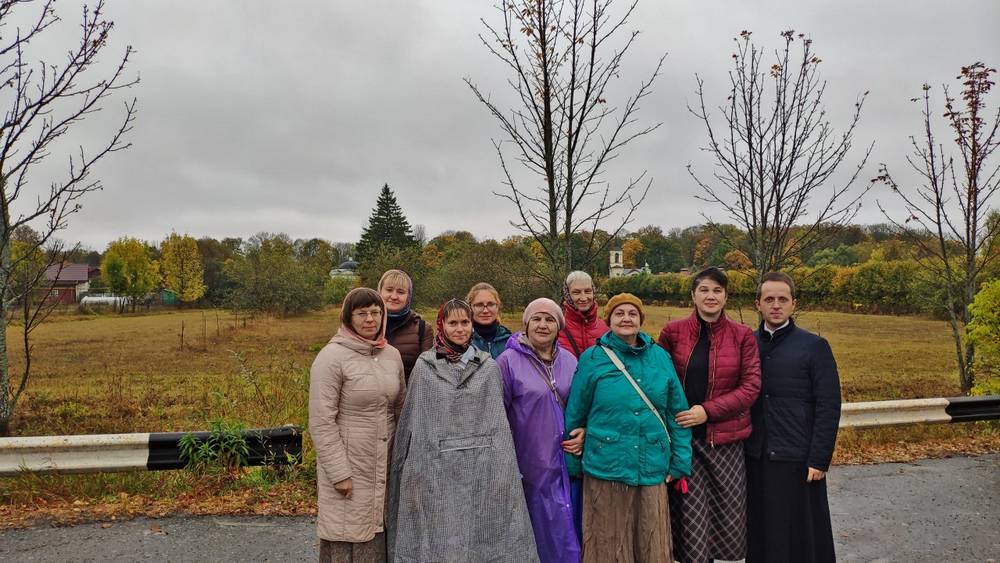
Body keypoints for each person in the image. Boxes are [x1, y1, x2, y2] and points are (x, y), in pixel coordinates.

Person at [387, 299, 539, 563]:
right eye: (453, 323)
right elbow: (416, 423)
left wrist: (502, 468)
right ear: (442, 325)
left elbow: (497, 425)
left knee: (483, 530)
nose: (460, 329)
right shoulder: (425, 368)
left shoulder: (488, 367)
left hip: (481, 467)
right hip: (437, 467)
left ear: (472, 325)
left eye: (465, 322)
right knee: (440, 531)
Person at [564, 293, 692, 563]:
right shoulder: (593, 358)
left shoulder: (659, 357)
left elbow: (677, 413)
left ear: (641, 320)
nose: (626, 318)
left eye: (632, 313)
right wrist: (574, 466)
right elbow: (576, 414)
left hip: (651, 464)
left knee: (650, 540)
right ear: (608, 319)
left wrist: (680, 462)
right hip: (606, 465)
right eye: (619, 313)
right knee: (607, 542)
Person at [657, 267, 761, 563]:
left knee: (724, 523)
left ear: (726, 296)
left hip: (724, 443)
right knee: (690, 524)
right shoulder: (673, 332)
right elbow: (656, 378)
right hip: (684, 442)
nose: (710, 296)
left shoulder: (742, 336)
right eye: (704, 290)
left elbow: (751, 387)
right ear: (693, 295)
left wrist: (707, 411)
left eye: (717, 290)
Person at [746, 272, 841, 563]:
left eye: (782, 299)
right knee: (762, 533)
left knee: (803, 535)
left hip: (798, 457)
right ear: (758, 304)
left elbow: (828, 405)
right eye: (769, 299)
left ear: (793, 303)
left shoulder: (814, 346)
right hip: (756, 456)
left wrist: (819, 458)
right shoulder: (747, 344)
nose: (776, 305)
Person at [309, 288, 406, 563]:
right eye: (361, 313)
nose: (369, 319)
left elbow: (401, 407)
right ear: (348, 317)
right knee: (347, 534)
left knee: (377, 532)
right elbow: (321, 421)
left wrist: (402, 460)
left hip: (383, 463)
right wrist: (339, 472)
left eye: (375, 312)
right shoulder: (331, 358)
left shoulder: (392, 356)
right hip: (350, 466)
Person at [496, 298, 583, 563]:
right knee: (538, 533)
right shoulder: (507, 362)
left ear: (559, 327)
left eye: (549, 320)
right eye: (536, 319)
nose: (542, 325)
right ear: (526, 324)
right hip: (531, 463)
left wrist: (584, 432)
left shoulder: (570, 360)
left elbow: (584, 406)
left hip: (568, 463)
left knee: (570, 527)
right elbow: (497, 415)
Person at [377, 269, 433, 380]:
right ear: (379, 292)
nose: (394, 296)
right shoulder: (366, 326)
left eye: (401, 292)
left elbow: (428, 373)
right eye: (389, 290)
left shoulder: (422, 329)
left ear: (408, 296)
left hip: (409, 395)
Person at [558, 271, 609, 358]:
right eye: (576, 292)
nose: (583, 298)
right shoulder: (557, 329)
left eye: (588, 291)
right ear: (567, 295)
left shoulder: (606, 329)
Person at [467, 282, 512, 359]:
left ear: (498, 306)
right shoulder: (463, 341)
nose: (485, 310)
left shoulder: (510, 342)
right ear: (470, 308)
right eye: (479, 305)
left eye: (490, 304)